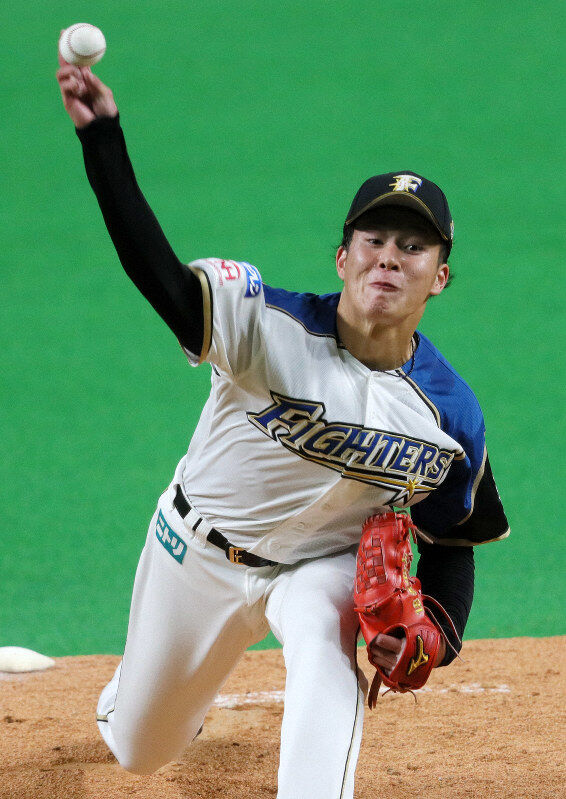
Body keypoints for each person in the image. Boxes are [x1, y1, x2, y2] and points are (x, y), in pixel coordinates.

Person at [56, 55, 509, 798]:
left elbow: (454, 540)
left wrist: (436, 632)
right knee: (140, 748)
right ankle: (136, 699)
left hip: (317, 567)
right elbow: (158, 275)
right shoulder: (262, 326)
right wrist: (102, 138)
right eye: (374, 240)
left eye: (413, 247)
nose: (389, 258)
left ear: (440, 276)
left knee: (328, 633)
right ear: (343, 257)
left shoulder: (450, 416)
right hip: (196, 552)